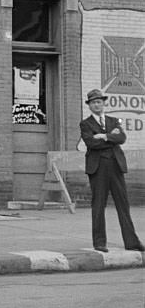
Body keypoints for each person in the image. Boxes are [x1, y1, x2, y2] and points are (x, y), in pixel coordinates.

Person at [79, 88, 144, 253]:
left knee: (123, 204)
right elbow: (91, 143)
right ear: (89, 105)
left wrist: (104, 136)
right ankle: (99, 242)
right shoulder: (85, 124)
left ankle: (132, 242)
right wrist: (110, 138)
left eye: (99, 102)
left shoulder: (114, 121)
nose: (97, 105)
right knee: (98, 204)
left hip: (116, 166)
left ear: (103, 103)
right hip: (98, 168)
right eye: (93, 103)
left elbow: (121, 138)